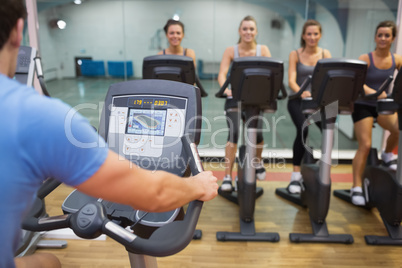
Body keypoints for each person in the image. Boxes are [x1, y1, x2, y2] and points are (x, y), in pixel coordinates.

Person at [0, 1, 218, 267]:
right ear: (18, 32)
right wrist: (196, 185)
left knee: (47, 262)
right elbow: (153, 193)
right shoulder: (37, 116)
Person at [350, 20, 402, 206]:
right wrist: (376, 93)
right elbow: (358, 83)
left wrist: (392, 96)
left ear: (393, 39)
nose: (382, 38)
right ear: (375, 37)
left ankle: (388, 154)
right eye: (379, 35)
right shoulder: (366, 58)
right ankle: (356, 187)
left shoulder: (397, 60)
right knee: (365, 145)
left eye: (387, 35)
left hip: (381, 105)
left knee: (398, 129)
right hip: (363, 103)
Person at [217, 15, 271, 191]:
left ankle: (257, 161)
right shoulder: (231, 51)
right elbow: (222, 74)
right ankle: (227, 176)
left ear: (256, 32)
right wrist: (226, 89)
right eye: (245, 29)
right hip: (235, 98)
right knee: (233, 134)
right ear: (239, 31)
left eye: (251, 29)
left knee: (258, 135)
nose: (248, 32)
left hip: (255, 100)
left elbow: (271, 74)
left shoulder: (263, 50)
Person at [286, 19, 331, 194]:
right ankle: (295, 174)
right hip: (297, 100)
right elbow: (291, 79)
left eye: (315, 34)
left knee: (329, 128)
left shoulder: (325, 54)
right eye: (309, 34)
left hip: (318, 102)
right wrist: (301, 91)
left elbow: (330, 77)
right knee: (303, 130)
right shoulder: (295, 54)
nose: (312, 37)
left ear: (320, 35)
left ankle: (321, 166)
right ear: (303, 36)